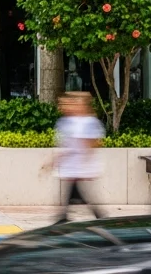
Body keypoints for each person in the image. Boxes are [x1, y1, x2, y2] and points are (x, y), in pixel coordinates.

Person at [53, 92, 105, 223]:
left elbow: (93, 143)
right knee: (79, 195)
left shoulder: (88, 121)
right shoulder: (66, 121)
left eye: (66, 104)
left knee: (80, 195)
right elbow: (66, 144)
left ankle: (64, 218)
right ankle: (65, 217)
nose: (63, 107)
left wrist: (85, 163)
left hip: (78, 168)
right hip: (73, 167)